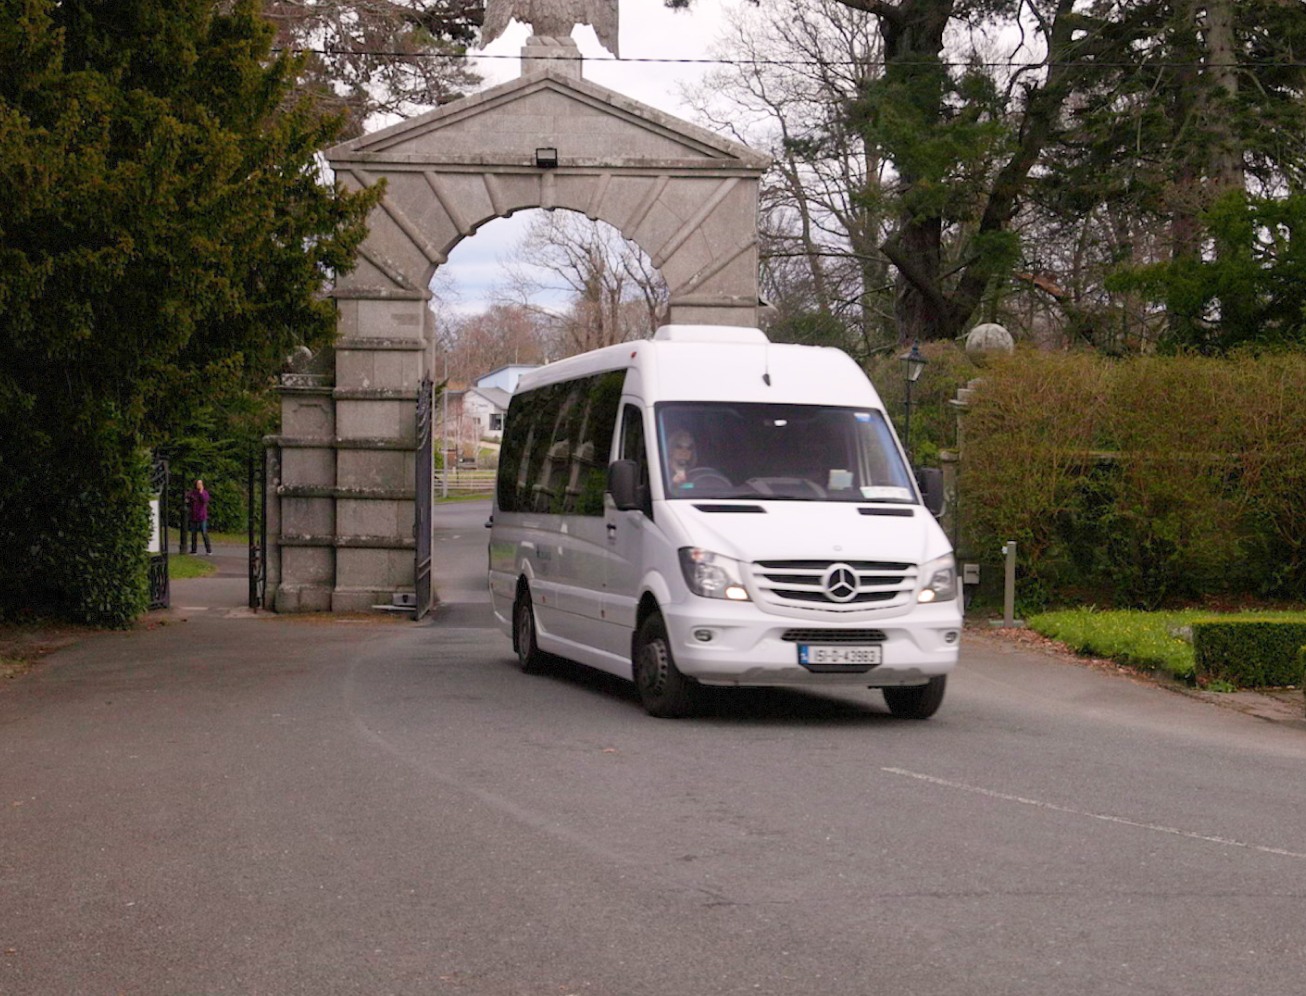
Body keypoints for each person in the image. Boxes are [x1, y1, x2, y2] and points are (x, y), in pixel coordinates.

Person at [186, 479, 212, 555]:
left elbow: (204, 500)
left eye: (200, 484)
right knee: (193, 534)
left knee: (204, 533)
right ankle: (193, 550)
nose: (199, 485)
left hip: (202, 516)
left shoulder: (204, 493)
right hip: (194, 516)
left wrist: (201, 492)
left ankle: (208, 550)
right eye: (198, 484)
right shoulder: (193, 493)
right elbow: (189, 500)